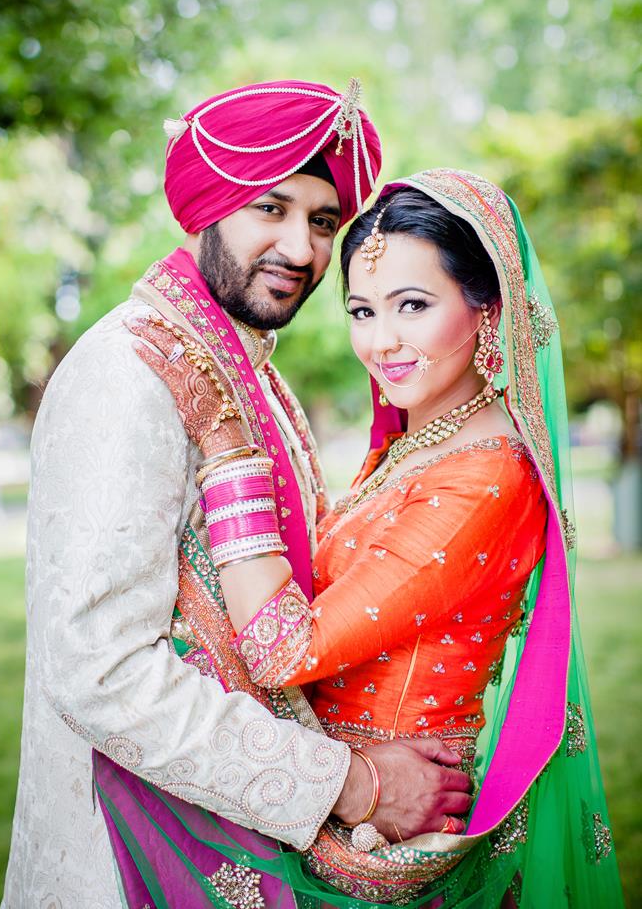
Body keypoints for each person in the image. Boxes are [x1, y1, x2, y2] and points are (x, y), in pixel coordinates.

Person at [2, 84, 473, 909]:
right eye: (270, 208)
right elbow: (101, 673)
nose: (299, 246)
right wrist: (352, 782)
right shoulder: (132, 373)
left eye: (324, 221)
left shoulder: (244, 369)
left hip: (233, 836)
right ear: (211, 206)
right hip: (124, 858)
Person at [111, 169, 624, 907]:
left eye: (412, 306)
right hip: (337, 806)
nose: (381, 343)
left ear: (487, 307)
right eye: (362, 310)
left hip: (385, 841)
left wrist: (228, 448)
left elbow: (285, 647)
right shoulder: (426, 440)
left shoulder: (486, 475)